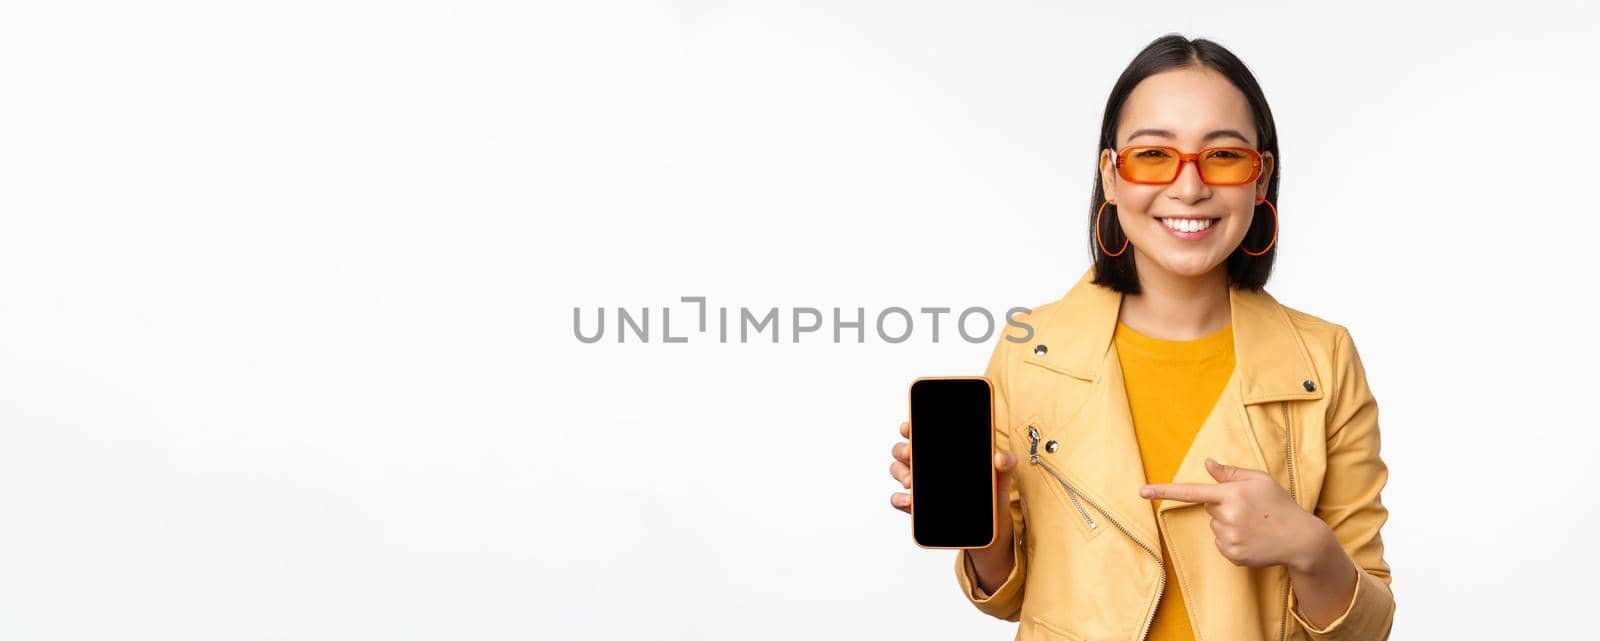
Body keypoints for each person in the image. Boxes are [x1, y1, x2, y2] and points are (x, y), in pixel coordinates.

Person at [887, 34, 1395, 641]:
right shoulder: (1032, 349)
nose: (1188, 187)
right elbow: (1011, 599)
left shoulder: (1324, 359)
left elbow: (1367, 628)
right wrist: (990, 536)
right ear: (1110, 175)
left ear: (1261, 180)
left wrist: (1309, 548)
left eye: (1224, 157)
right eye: (1153, 155)